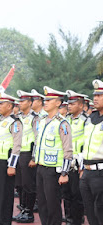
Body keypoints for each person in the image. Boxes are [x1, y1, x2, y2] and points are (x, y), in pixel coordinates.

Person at [34, 86, 72, 225]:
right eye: (45, 100)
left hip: (53, 170)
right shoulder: (42, 121)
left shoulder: (62, 123)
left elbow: (68, 150)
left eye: (49, 100)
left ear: (58, 103)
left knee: (53, 205)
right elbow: (38, 144)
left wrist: (64, 172)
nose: (46, 102)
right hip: (41, 167)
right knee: (42, 205)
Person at [0, 92, 22, 225]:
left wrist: (12, 165)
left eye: (1, 104)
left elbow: (16, 145)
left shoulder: (14, 122)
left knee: (5, 194)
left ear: (9, 106)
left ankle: (4, 221)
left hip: (5, 162)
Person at [13, 90, 40, 223]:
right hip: (18, 153)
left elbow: (37, 138)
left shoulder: (34, 118)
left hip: (27, 153)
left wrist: (34, 157)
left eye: (23, 101)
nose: (20, 103)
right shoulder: (18, 117)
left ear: (30, 103)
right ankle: (23, 209)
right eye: (19, 101)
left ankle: (29, 212)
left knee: (29, 184)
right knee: (20, 184)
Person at [79, 80, 103, 225]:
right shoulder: (90, 118)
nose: (95, 98)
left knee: (100, 211)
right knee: (90, 212)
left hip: (101, 173)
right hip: (87, 173)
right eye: (95, 95)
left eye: (100, 95)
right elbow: (84, 144)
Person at [62, 90, 87, 225]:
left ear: (81, 106)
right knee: (66, 194)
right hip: (66, 163)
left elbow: (86, 145)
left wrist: (82, 167)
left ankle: (77, 220)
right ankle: (69, 219)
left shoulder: (85, 121)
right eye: (69, 103)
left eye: (73, 104)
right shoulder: (66, 120)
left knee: (77, 195)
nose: (69, 106)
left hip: (78, 164)